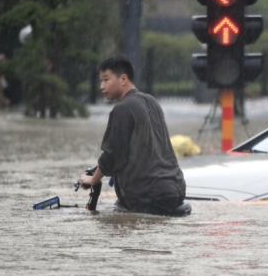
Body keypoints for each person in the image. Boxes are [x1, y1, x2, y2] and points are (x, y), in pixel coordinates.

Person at [78, 56, 187, 215]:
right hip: (176, 190)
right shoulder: (152, 102)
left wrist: (93, 179)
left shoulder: (122, 109)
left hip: (147, 197)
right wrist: (100, 169)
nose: (101, 86)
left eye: (106, 80)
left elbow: (112, 155)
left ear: (123, 79)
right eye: (101, 81)